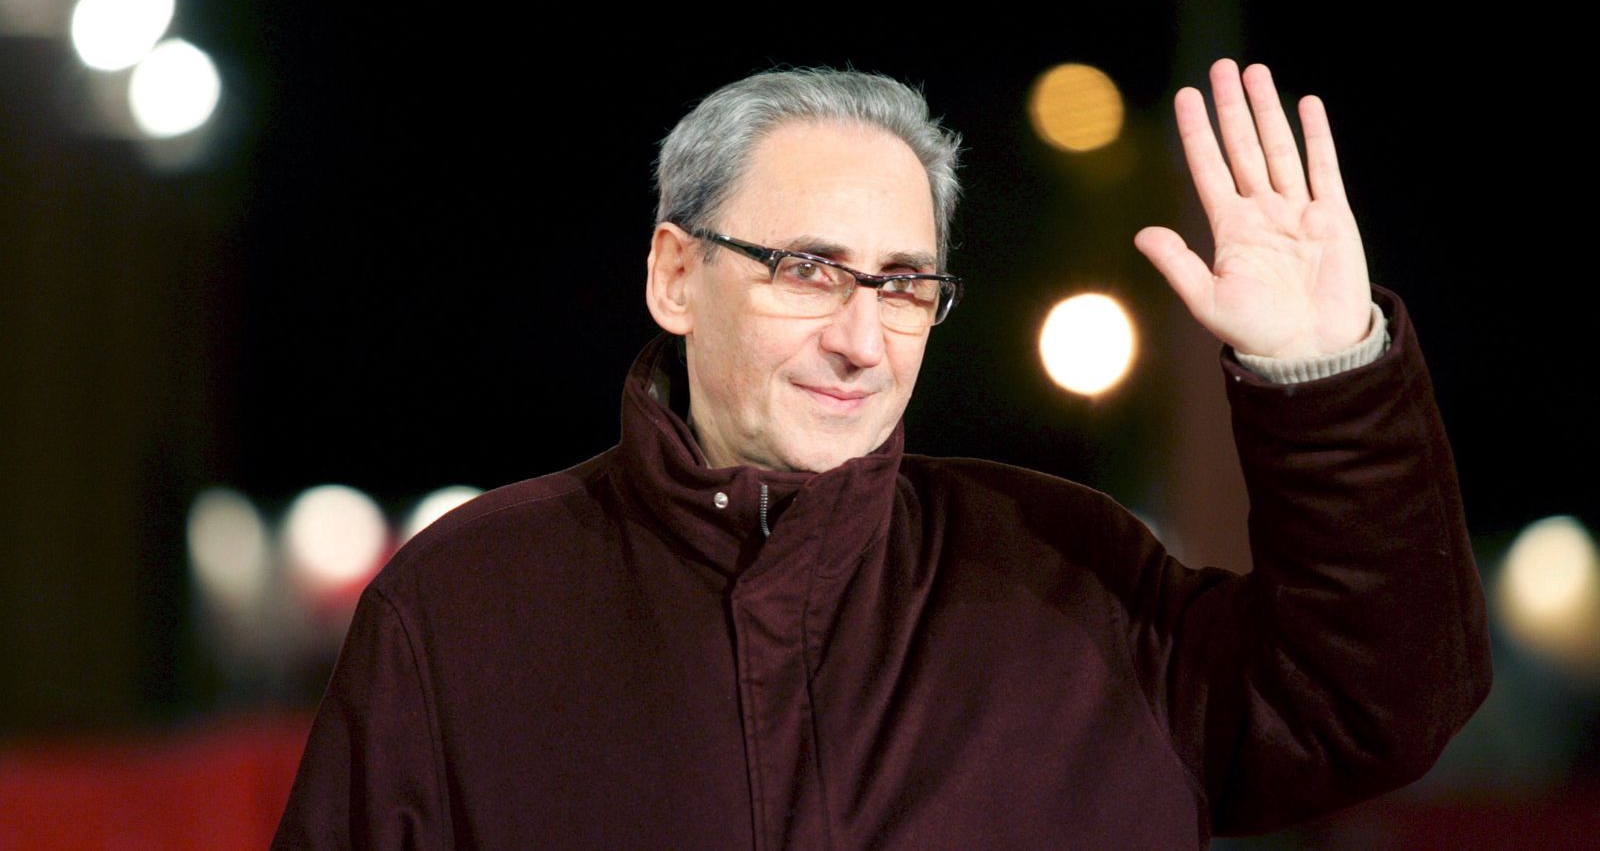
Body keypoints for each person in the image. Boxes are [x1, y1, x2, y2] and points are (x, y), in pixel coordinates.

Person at [273, 60, 1491, 849]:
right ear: (676, 274)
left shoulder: (1071, 571)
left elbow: (1373, 711)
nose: (860, 339)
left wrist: (1327, 374)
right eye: (808, 270)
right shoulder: (464, 606)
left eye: (903, 285)